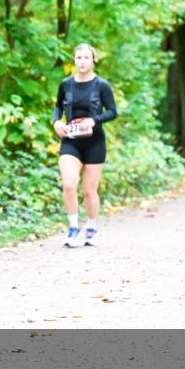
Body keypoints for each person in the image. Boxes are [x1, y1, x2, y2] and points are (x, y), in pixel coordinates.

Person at [51, 43, 118, 248]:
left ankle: (91, 228)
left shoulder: (101, 85)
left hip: (94, 142)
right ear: (74, 60)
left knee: (89, 190)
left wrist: (94, 120)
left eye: (86, 58)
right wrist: (56, 122)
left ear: (93, 60)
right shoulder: (66, 84)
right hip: (70, 141)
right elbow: (57, 107)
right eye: (78, 58)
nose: (82, 61)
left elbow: (112, 111)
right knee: (69, 184)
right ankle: (73, 228)